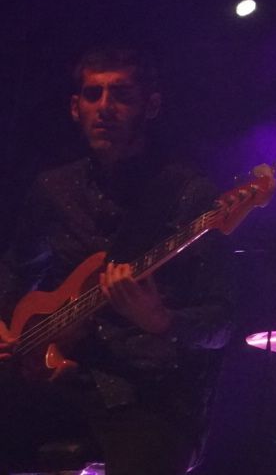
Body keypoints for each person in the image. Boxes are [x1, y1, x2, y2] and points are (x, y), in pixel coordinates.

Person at [0, 46, 234, 475]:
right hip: (60, 377)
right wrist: (4, 324)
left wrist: (162, 320)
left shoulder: (189, 195)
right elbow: (17, 269)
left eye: (121, 95)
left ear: (151, 106)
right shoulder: (54, 188)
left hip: (148, 391)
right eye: (94, 94)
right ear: (75, 107)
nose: (105, 108)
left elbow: (220, 325)